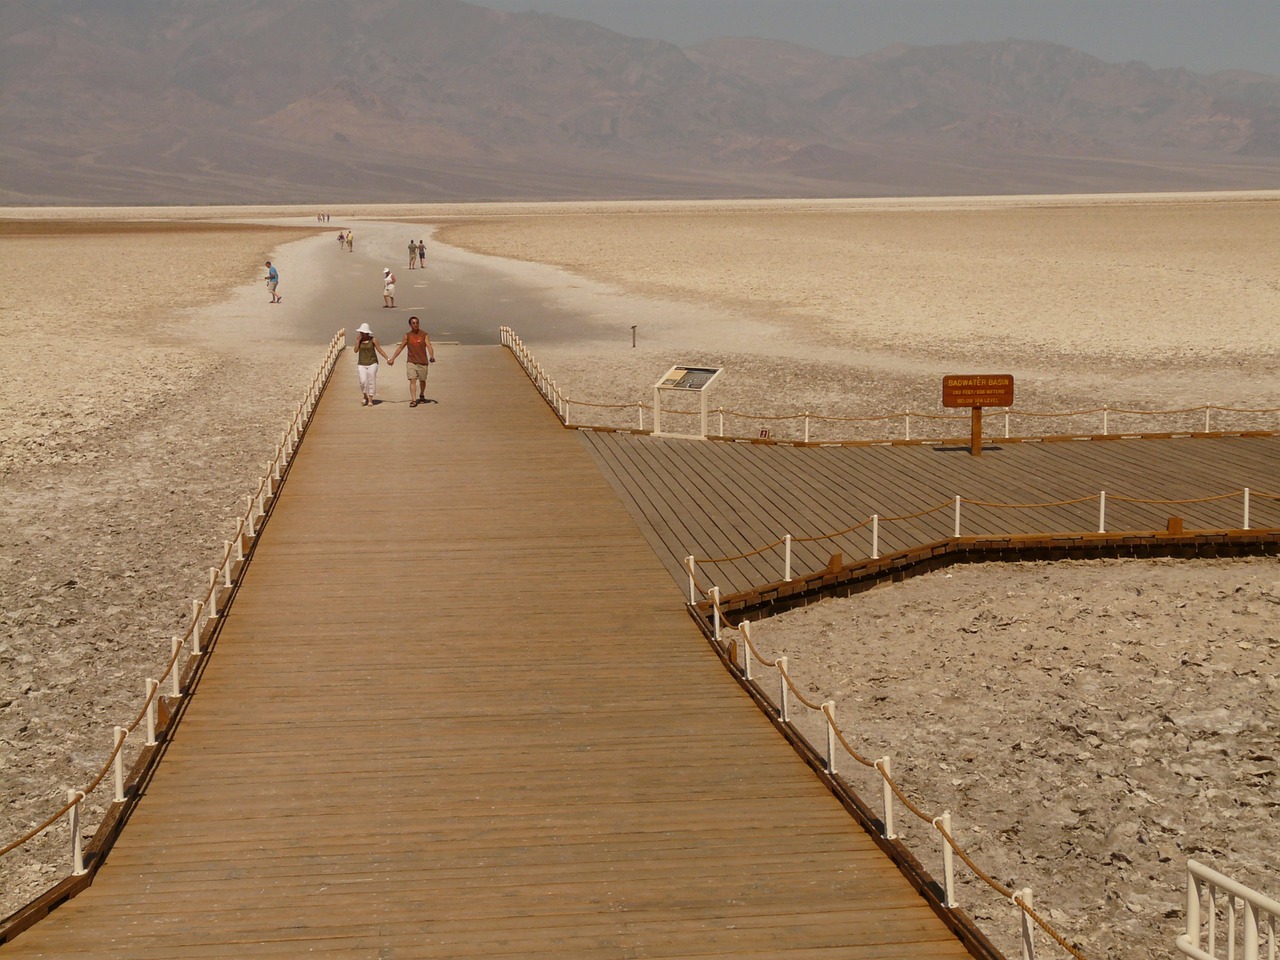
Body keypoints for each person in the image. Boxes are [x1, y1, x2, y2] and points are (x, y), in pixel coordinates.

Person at [387, 315, 436, 407]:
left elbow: (429, 345)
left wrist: (432, 356)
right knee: (412, 380)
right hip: (411, 361)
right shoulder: (407, 336)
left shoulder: (424, 334)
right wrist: (393, 358)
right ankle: (413, 400)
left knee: (422, 380)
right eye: (413, 323)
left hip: (422, 361)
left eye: (417, 323)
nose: (415, 325)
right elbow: (401, 347)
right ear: (410, 325)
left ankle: (421, 394)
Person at [352, 322, 389, 406]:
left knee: (371, 380)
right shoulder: (360, 340)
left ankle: (370, 399)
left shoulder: (373, 340)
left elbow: (380, 350)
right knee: (363, 381)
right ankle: (365, 395)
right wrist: (358, 341)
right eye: (360, 332)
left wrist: (387, 358)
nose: (361, 334)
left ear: (367, 332)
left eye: (362, 332)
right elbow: (355, 350)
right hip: (361, 363)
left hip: (372, 362)